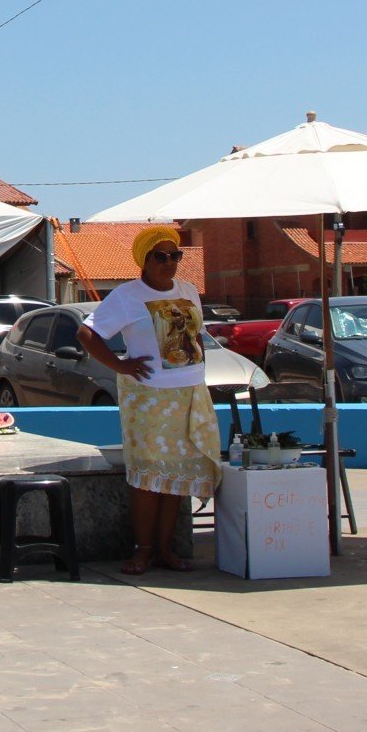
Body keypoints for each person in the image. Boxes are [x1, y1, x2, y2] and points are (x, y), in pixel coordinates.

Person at [77, 227, 220, 575]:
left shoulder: (188, 291)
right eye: (160, 256)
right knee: (148, 478)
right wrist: (120, 365)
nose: (169, 263)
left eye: (175, 256)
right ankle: (142, 551)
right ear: (144, 259)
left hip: (189, 394)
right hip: (149, 399)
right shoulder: (128, 296)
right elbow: (86, 333)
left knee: (175, 478)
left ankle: (165, 549)